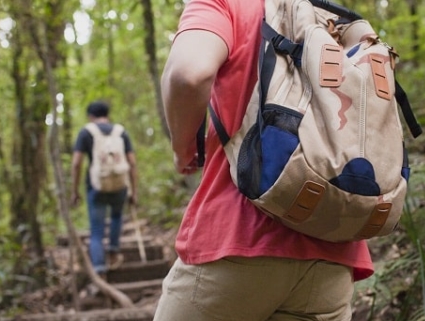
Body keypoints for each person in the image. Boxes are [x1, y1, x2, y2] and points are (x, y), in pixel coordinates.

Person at [154, 1, 374, 320]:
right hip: (333, 249)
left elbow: (188, 74)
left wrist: (182, 147)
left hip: (239, 238)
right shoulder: (335, 17)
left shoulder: (225, 4)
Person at [71, 100, 138, 275]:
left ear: (90, 116)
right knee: (117, 217)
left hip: (96, 186)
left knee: (96, 230)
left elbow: (76, 163)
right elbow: (132, 163)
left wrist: (74, 190)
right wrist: (134, 191)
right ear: (107, 115)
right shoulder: (121, 132)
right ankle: (114, 252)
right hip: (120, 185)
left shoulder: (86, 132)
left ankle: (100, 268)